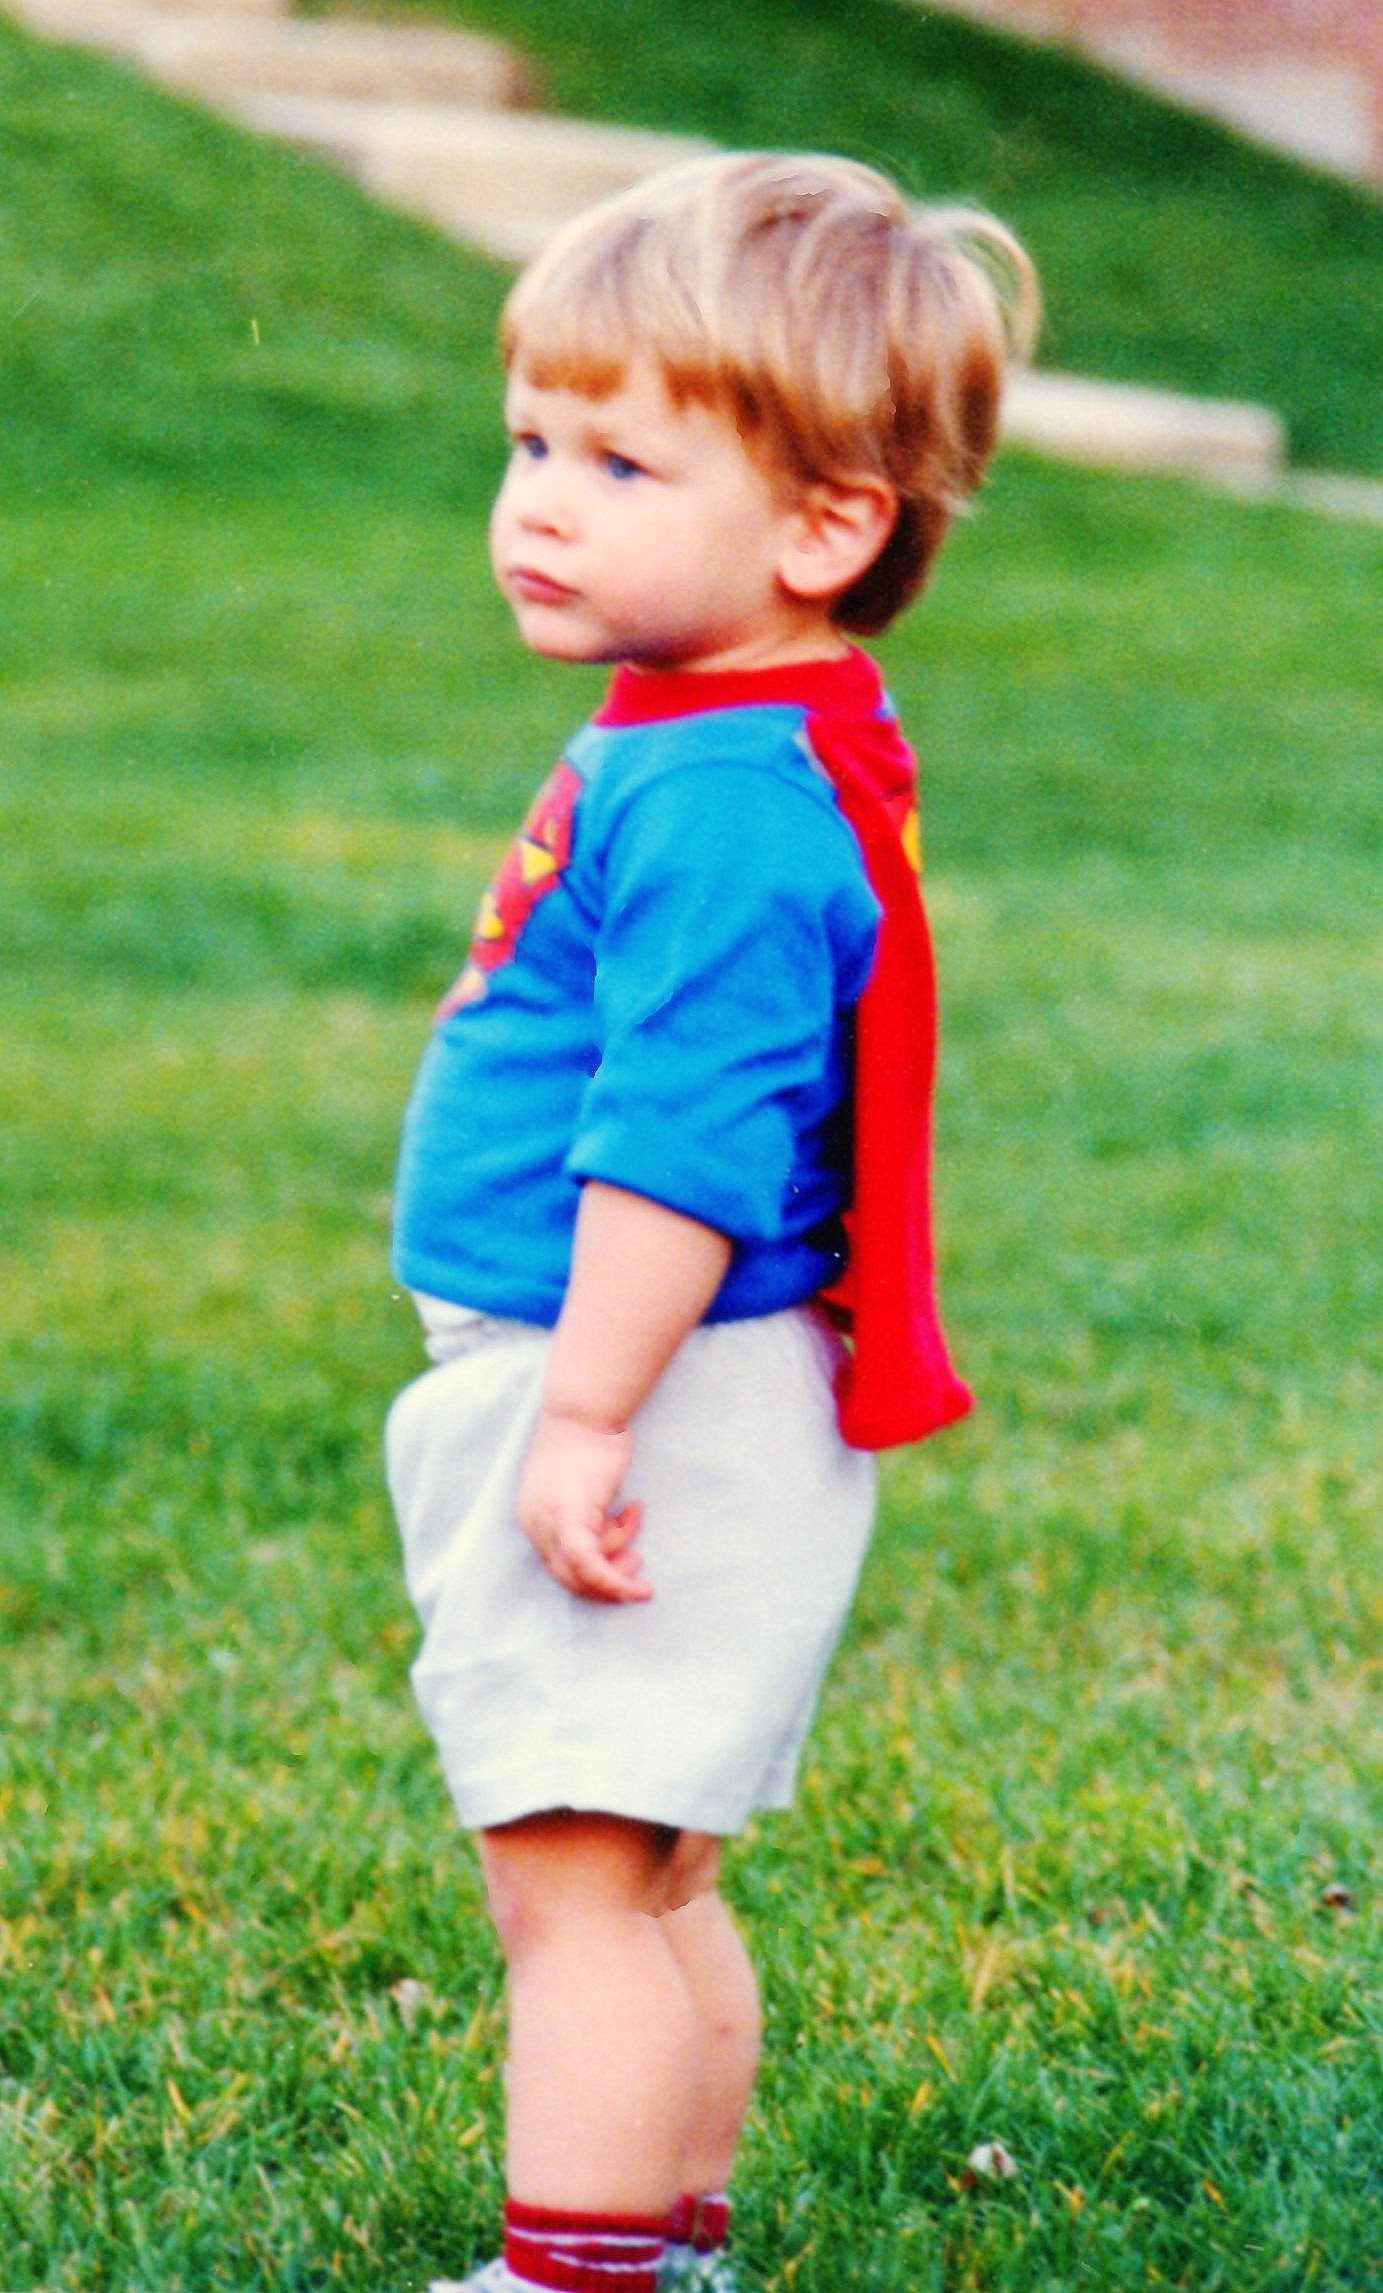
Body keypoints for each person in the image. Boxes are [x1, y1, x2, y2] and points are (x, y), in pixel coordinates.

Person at [384, 150, 1037, 2293]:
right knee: (646, 1879)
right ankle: (666, 2247)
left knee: (574, 1889)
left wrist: (581, 1416)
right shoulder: (733, 735)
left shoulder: (725, 803)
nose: (537, 506)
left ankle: (573, 2273)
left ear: (825, 526)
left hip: (647, 1386)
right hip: (677, 1383)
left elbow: (682, 1154)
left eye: (619, 463)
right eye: (528, 444)